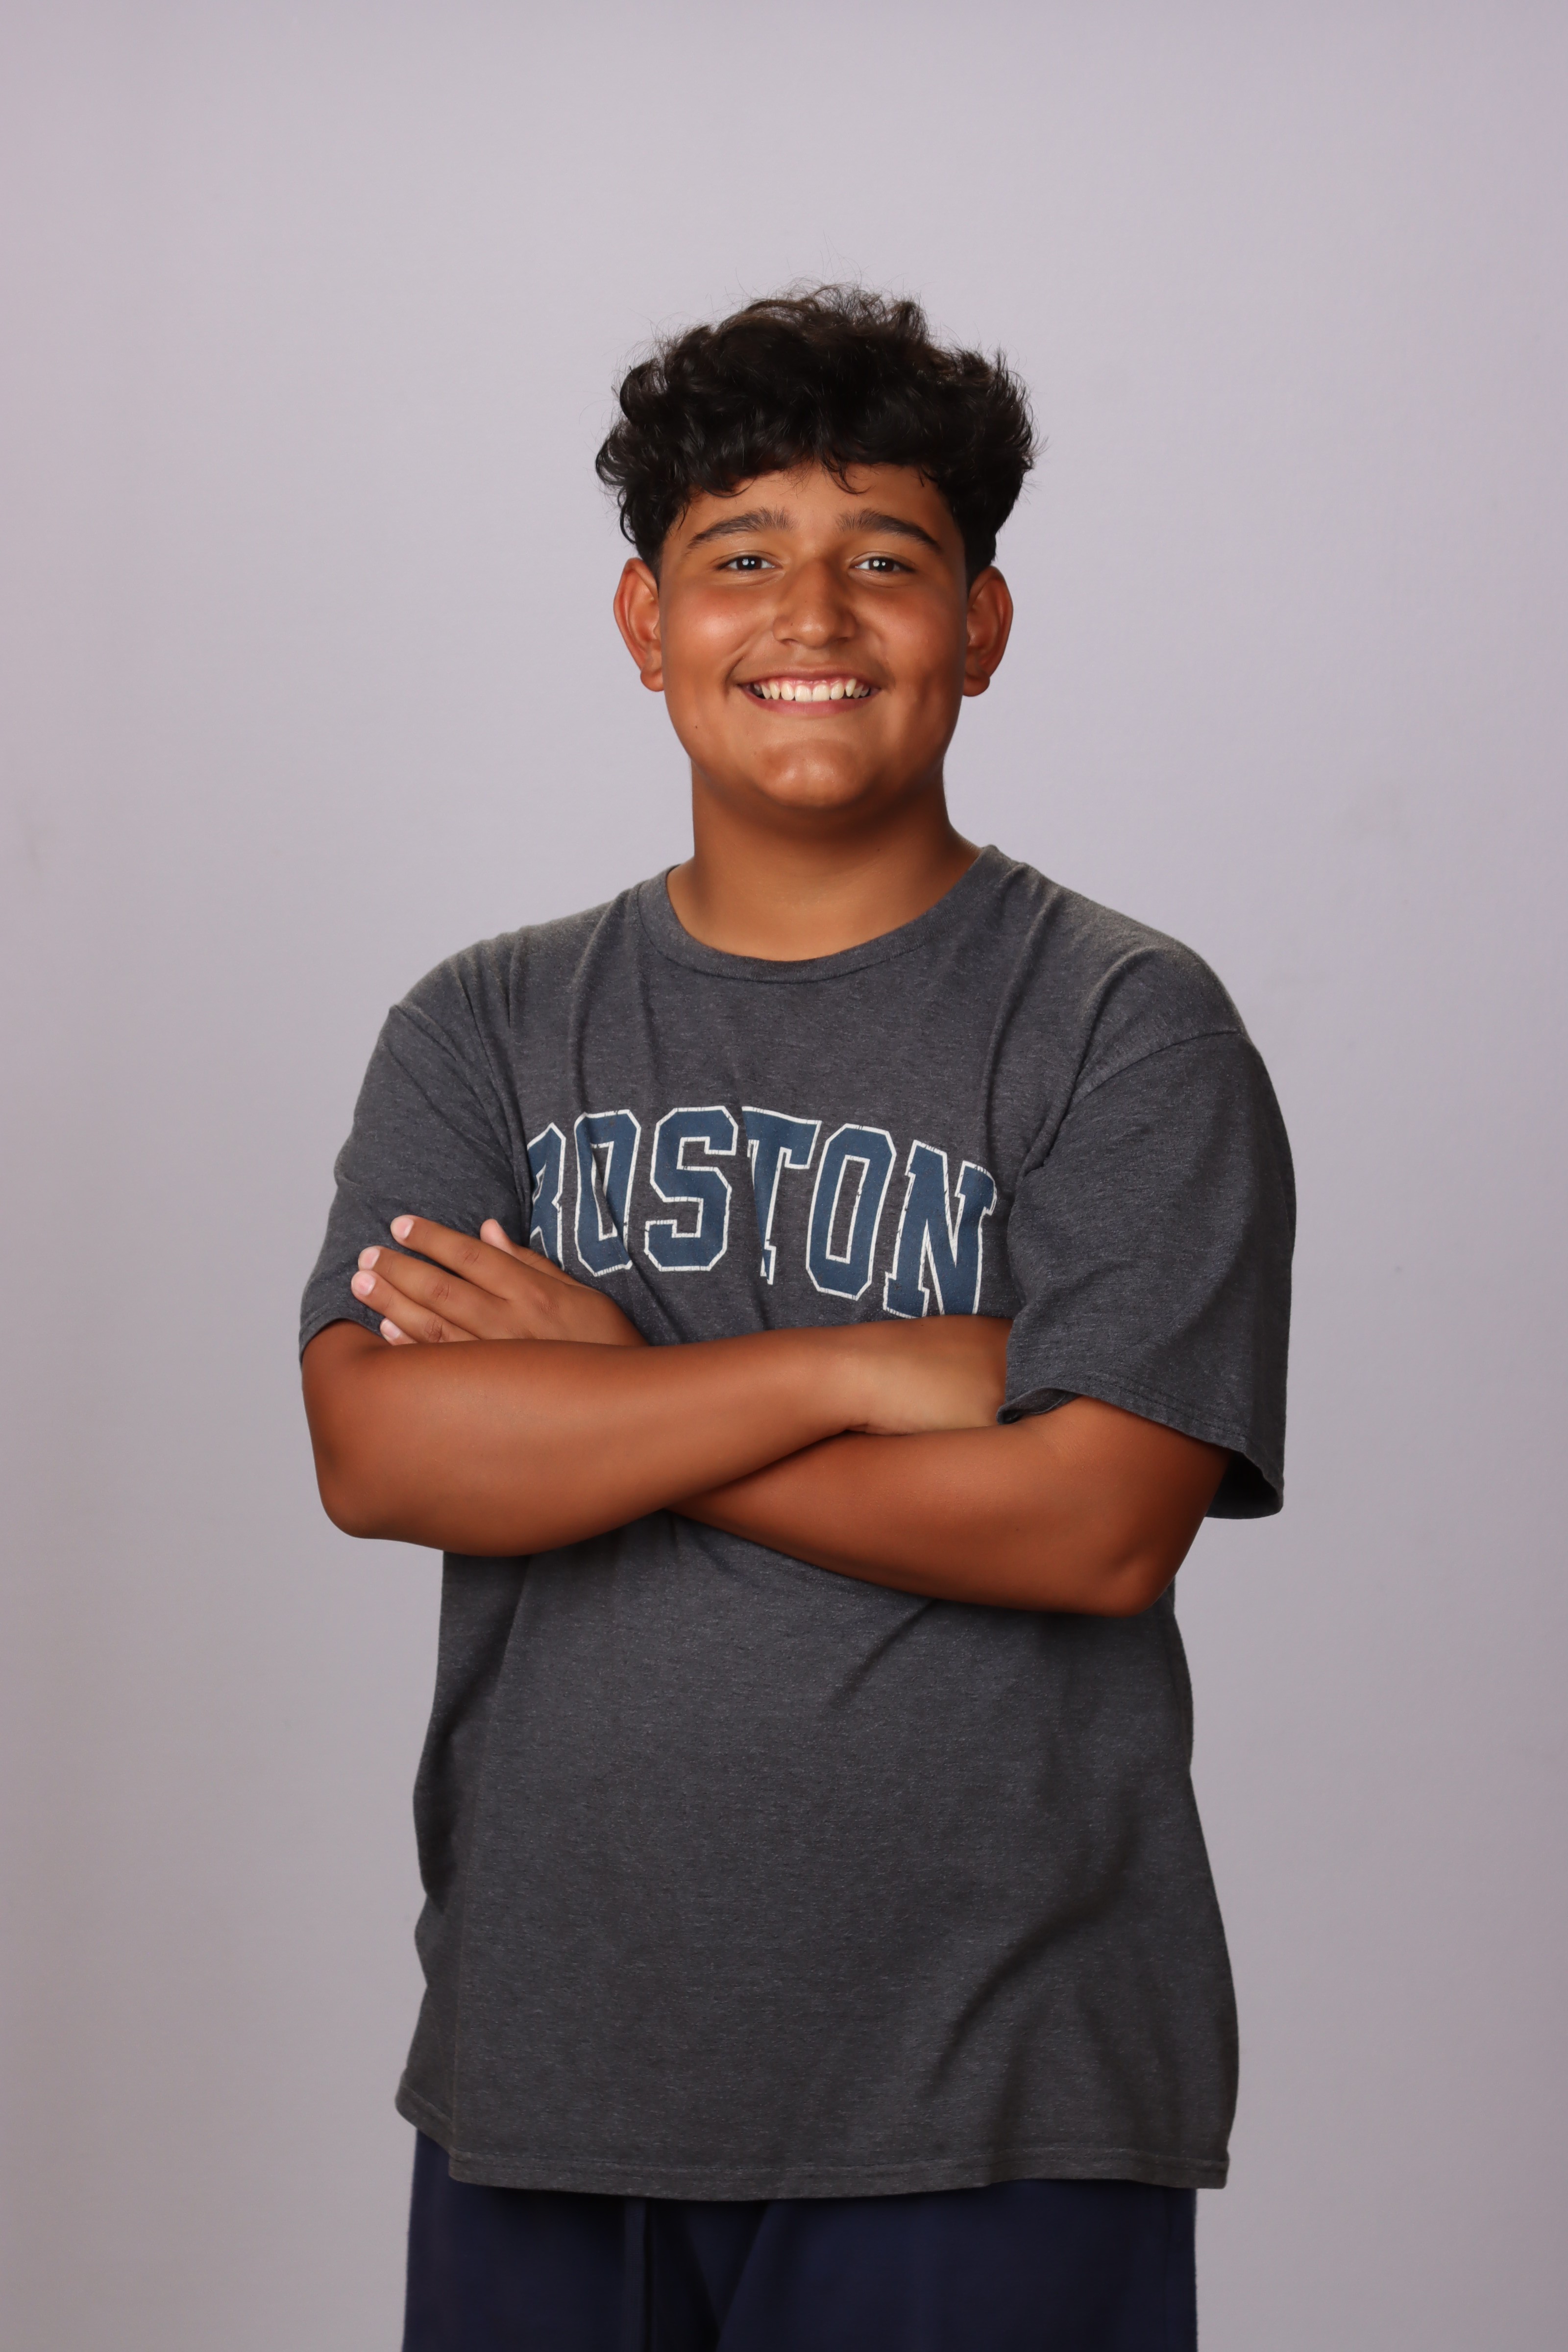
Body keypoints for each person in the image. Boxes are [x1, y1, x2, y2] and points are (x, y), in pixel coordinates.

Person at [300, 286, 1294, 2352]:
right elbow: (381, 1451)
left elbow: (1093, 1525)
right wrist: (854, 1370)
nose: (810, 615)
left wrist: (605, 1411)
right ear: (646, 622)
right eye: (739, 556)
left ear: (981, 626)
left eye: (886, 561)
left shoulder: (1121, 1024)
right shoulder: (488, 1027)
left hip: (994, 2089)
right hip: (546, 2066)